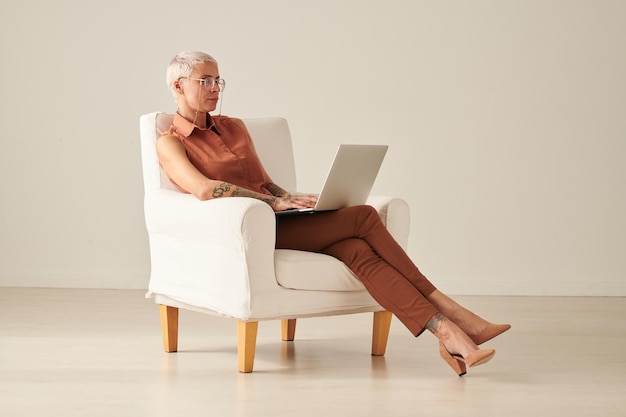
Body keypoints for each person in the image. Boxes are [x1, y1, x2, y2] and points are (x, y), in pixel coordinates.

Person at [156, 51, 510, 376]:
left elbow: (265, 182)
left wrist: (290, 197)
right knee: (363, 216)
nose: (215, 88)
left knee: (358, 252)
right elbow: (203, 189)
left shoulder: (234, 127)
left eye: (218, 80)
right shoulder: (171, 141)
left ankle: (451, 337)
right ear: (178, 85)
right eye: (205, 81)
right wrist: (273, 204)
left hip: (283, 217)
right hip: (249, 230)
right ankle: (453, 311)